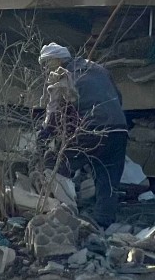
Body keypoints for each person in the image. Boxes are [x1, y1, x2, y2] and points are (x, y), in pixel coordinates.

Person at [36, 43, 128, 226]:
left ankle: (62, 212)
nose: (46, 70)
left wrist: (44, 134)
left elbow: (54, 111)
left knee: (56, 163)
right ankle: (103, 222)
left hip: (92, 129)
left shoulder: (62, 75)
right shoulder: (98, 68)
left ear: (56, 60)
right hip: (119, 128)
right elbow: (118, 97)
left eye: (47, 64)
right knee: (108, 177)